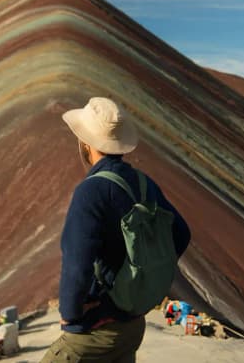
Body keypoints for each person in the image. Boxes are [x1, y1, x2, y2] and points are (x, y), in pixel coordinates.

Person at [41, 96, 192, 362]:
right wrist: (139, 283)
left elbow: (77, 262)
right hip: (132, 326)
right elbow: (181, 234)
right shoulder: (144, 184)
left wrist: (71, 312)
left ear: (85, 144)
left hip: (97, 331)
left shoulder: (91, 192)